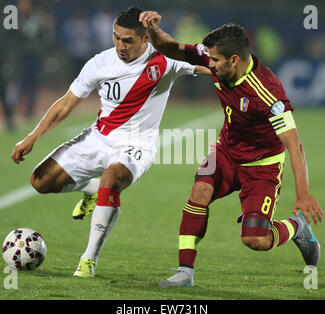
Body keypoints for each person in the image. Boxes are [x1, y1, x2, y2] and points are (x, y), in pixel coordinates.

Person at [10, 7, 210, 278]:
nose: (120, 46)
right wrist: (32, 137)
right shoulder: (100, 63)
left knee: (112, 177)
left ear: (145, 39)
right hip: (98, 137)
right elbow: (67, 103)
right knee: (40, 181)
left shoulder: (166, 60)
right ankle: (92, 189)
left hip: (137, 145)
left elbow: (214, 65)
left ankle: (88, 260)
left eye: (128, 40)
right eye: (116, 37)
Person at [139, 11, 323, 287]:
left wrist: (304, 192)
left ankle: (296, 227)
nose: (208, 64)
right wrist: (152, 30)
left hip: (262, 166)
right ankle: (184, 273)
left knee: (256, 240)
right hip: (226, 151)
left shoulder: (267, 93)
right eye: (209, 58)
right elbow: (173, 48)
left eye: (214, 61)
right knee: (199, 190)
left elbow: (293, 143)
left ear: (234, 60)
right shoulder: (215, 56)